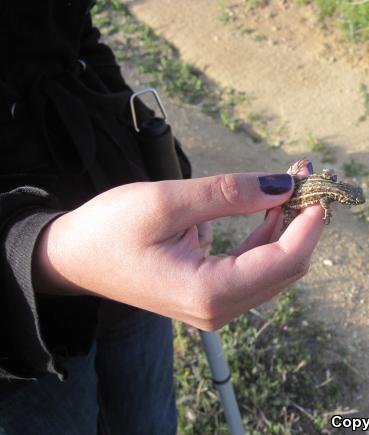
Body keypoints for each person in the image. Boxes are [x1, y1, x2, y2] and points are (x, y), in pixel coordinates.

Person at [0, 1, 324, 433]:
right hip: (21, 322)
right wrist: (39, 252)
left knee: (150, 421)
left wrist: (162, 165)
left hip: (132, 229)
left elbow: (72, 35)